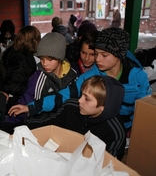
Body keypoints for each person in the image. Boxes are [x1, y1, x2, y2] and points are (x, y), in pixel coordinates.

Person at [8, 27, 151, 132]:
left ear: (119, 56)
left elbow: (144, 112)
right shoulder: (92, 75)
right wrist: (30, 107)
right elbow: (63, 96)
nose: (97, 59)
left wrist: (134, 132)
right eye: (96, 54)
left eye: (104, 55)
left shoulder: (138, 77)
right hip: (97, 129)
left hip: (126, 131)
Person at [4, 32, 78, 130]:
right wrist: (8, 125)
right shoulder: (37, 77)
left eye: (50, 59)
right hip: (40, 128)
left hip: (66, 128)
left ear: (60, 57)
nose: (44, 64)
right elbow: (25, 102)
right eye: (42, 58)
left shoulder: (73, 76)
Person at [53, 75, 126, 159]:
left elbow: (108, 165)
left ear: (104, 107)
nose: (80, 100)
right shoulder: (70, 107)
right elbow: (49, 124)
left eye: (87, 99)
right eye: (81, 94)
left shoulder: (114, 132)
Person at [1, 25, 41, 112]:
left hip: (13, 101)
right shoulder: (23, 59)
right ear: (34, 41)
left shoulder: (13, 52)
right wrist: (31, 88)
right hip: (17, 104)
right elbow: (12, 85)